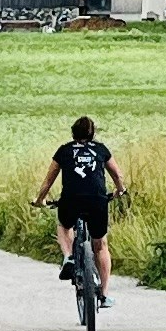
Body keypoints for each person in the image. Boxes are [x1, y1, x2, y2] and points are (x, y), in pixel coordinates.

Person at [35, 116, 125, 298]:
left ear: (73, 132)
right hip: (97, 200)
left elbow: (48, 181)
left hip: (71, 199)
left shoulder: (64, 151)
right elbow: (117, 176)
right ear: (93, 133)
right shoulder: (100, 149)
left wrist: (40, 200)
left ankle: (68, 256)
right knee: (100, 245)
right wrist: (120, 191)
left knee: (64, 225)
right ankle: (105, 293)